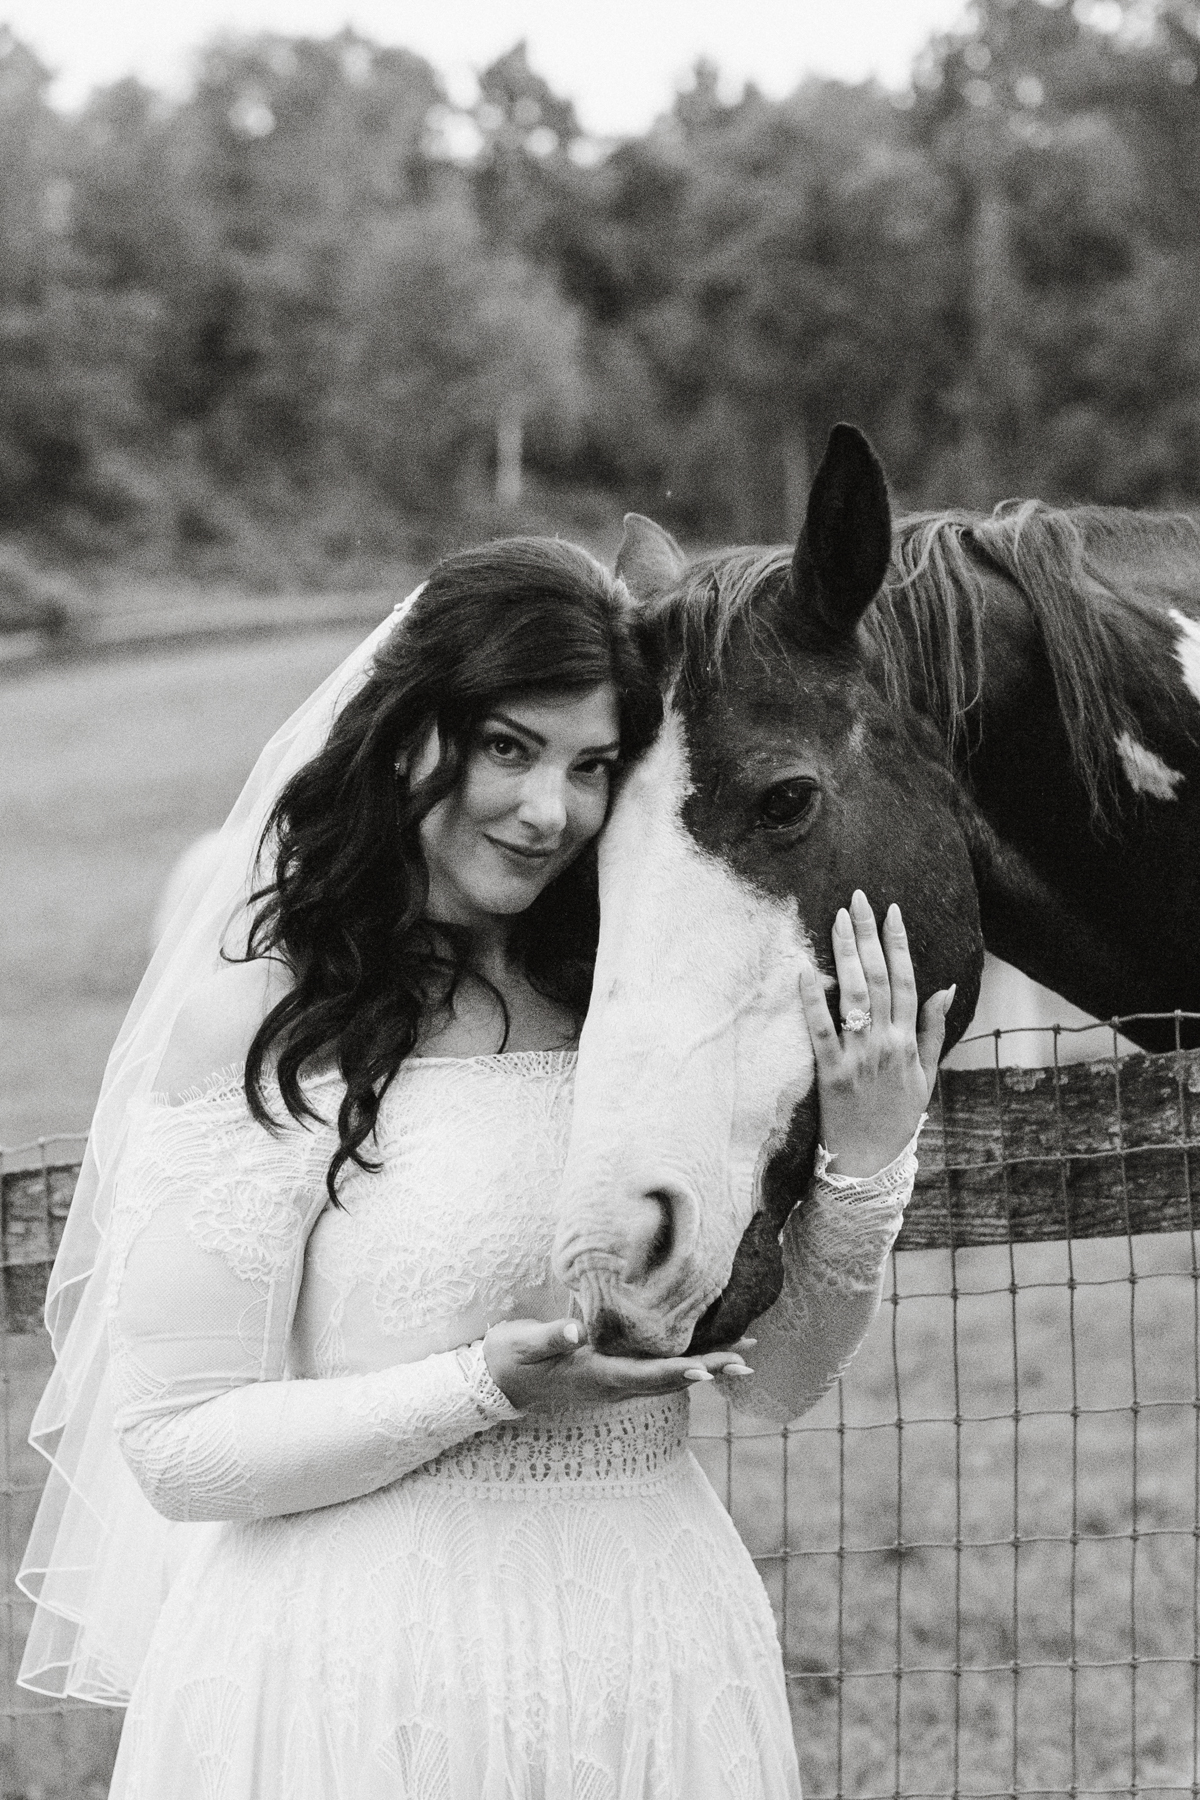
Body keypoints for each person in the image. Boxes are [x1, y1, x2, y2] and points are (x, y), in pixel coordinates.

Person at [18, 537, 949, 1799]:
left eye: (590, 767)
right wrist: (482, 1388)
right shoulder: (266, 1024)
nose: (546, 810)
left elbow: (774, 1385)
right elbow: (179, 1451)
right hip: (357, 1679)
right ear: (408, 733)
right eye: (507, 747)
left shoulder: (622, 1012)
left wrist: (866, 1166)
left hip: (651, 1646)